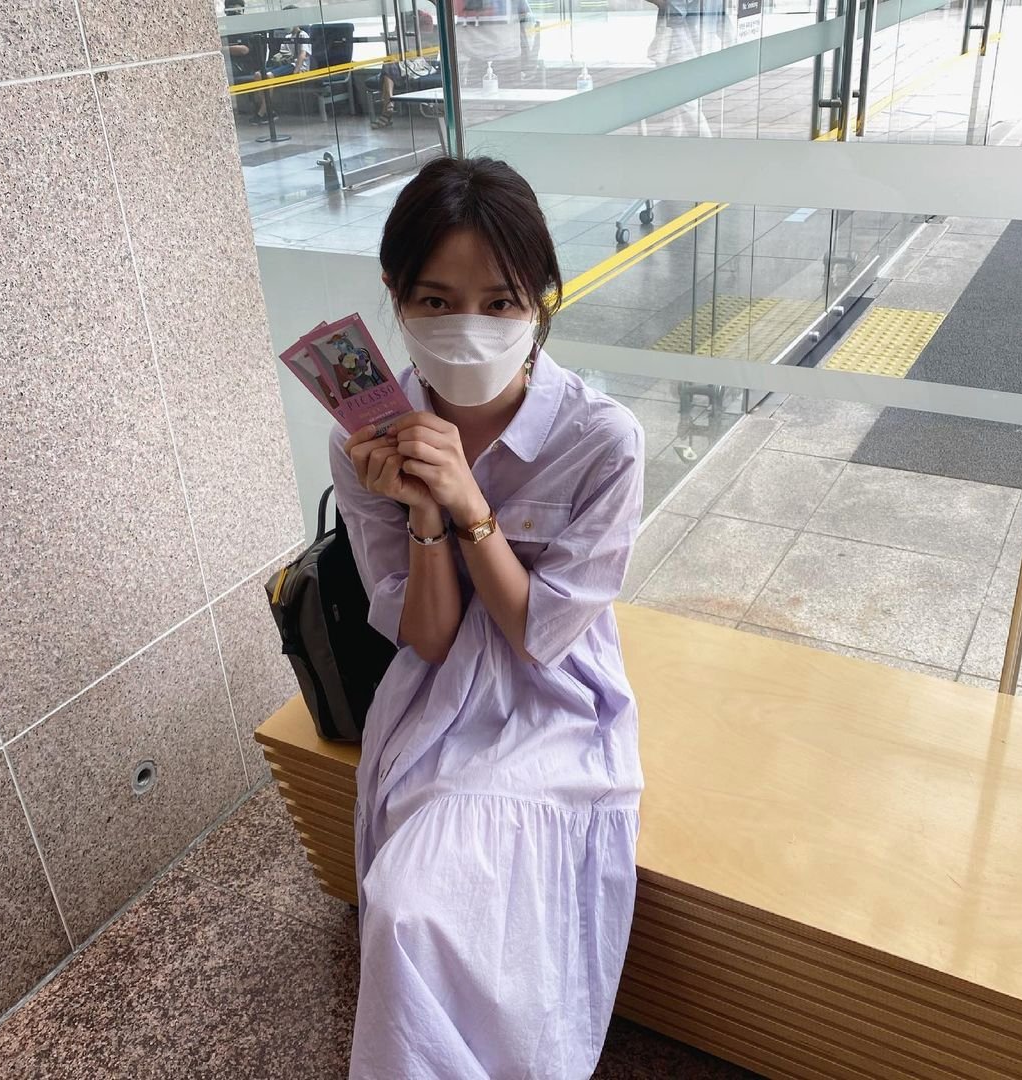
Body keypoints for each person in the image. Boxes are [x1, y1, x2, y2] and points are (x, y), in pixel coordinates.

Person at [329, 156, 645, 1079]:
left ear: (541, 300)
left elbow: (542, 636)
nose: (468, 326)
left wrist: (468, 500)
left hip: (554, 697)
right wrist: (423, 511)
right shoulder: (367, 439)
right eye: (436, 300)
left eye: (500, 301)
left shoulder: (601, 439)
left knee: (448, 901)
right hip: (437, 691)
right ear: (394, 296)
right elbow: (428, 638)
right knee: (404, 907)